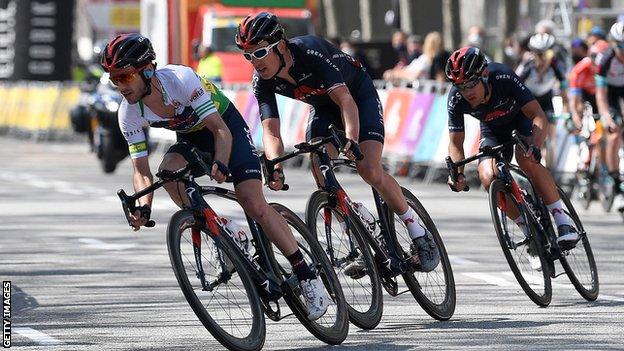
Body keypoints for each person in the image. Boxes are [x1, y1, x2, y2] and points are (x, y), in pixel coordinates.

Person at [100, 33, 329, 320]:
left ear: (147, 70)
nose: (119, 85)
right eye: (113, 78)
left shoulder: (179, 80)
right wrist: (143, 207)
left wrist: (220, 162)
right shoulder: (128, 113)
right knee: (168, 172)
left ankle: (306, 274)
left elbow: (220, 130)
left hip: (225, 128)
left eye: (124, 76)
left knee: (254, 203)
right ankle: (226, 229)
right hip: (193, 139)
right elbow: (141, 172)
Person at [234, 12, 441, 272]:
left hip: (356, 96)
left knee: (369, 169)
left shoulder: (310, 54)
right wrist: (274, 164)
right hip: (323, 108)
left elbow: (346, 101)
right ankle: (360, 229)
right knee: (320, 167)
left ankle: (418, 231)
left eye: (260, 53)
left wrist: (352, 139)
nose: (255, 61)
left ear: (281, 46)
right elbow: (271, 131)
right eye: (248, 55)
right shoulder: (261, 82)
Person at [445, 47, 579, 249]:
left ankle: (562, 220)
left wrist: (534, 145)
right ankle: (529, 233)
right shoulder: (456, 99)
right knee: (487, 176)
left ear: (484, 74)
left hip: (522, 121)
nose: (467, 91)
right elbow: (456, 143)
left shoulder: (502, 76)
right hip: (492, 130)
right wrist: (458, 173)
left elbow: (538, 116)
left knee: (526, 159)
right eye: (461, 86)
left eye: (471, 83)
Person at [515, 33, 567, 170]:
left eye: (547, 54)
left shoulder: (556, 65)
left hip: (546, 99)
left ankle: (551, 168)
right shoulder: (527, 65)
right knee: (530, 135)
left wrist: (568, 107)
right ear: (533, 53)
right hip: (529, 100)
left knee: (551, 135)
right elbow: (514, 87)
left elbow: (565, 88)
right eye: (539, 54)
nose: (543, 58)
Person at [594, 22, 624, 212]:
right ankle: (616, 184)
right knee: (613, 134)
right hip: (610, 93)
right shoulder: (605, 59)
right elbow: (601, 96)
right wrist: (607, 117)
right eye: (620, 46)